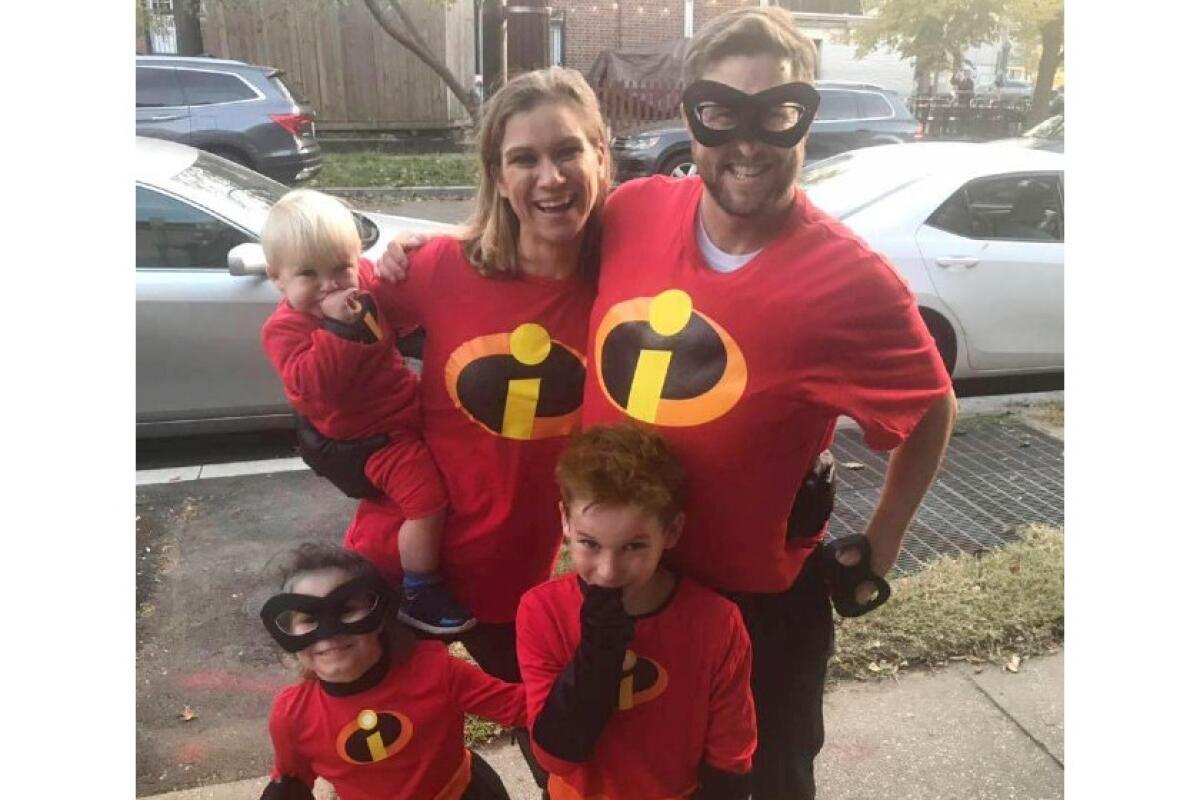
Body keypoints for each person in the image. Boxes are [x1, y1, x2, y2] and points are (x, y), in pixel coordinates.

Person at [579, 8, 958, 800]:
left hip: (757, 611)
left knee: (763, 782)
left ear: (805, 119)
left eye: (777, 113)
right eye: (722, 113)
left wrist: (879, 549)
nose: (746, 143)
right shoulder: (631, 212)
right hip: (619, 582)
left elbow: (929, 407)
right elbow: (524, 254)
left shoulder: (850, 282)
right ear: (692, 116)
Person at [260, 188, 472, 636]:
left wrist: (407, 251)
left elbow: (394, 283)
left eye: (341, 267)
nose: (331, 284)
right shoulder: (285, 329)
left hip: (406, 406)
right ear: (277, 279)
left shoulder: (363, 283)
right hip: (374, 438)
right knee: (427, 503)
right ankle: (419, 590)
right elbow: (311, 388)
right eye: (308, 275)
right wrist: (339, 328)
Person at [516, 423, 756, 800]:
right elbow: (556, 756)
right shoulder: (541, 611)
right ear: (565, 521)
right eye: (589, 543)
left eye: (634, 547)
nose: (608, 572)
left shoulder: (716, 622)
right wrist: (599, 647)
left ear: (672, 531)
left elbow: (731, 752)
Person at [256, 543, 524, 800]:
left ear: (379, 616)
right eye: (309, 618)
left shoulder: (436, 671)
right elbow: (292, 778)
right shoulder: (292, 716)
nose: (331, 632)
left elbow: (521, 707)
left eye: (347, 609)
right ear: (288, 633)